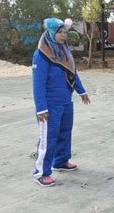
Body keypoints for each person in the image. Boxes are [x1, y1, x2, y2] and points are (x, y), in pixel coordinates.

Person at [32, 18, 90, 187]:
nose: (64, 35)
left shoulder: (64, 50)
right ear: (50, 33)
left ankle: (61, 161)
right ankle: (41, 172)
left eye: (65, 32)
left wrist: (82, 91)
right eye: (60, 32)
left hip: (66, 101)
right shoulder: (41, 54)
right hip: (50, 105)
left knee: (65, 131)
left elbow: (72, 72)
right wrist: (41, 107)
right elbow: (38, 83)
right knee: (48, 137)